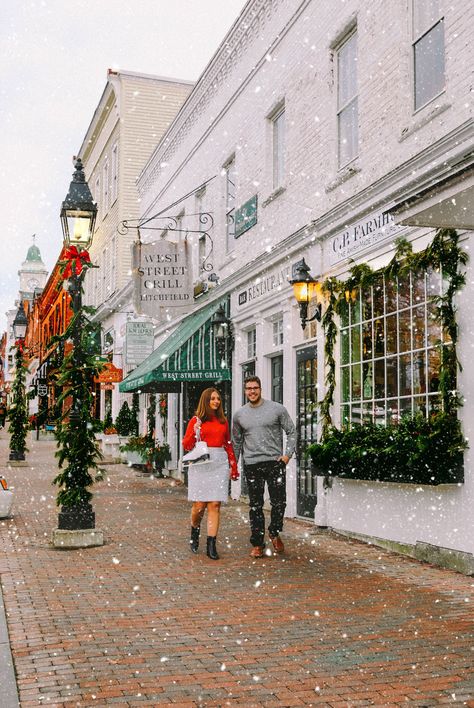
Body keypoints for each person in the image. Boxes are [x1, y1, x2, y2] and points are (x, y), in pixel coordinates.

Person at [232, 376, 296, 558]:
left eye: (255, 388)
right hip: (252, 464)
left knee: (279, 502)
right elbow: (236, 442)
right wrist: (234, 466)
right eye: (249, 388)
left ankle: (274, 531)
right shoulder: (239, 415)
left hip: (275, 463)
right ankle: (258, 543)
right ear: (245, 391)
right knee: (255, 506)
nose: (252, 391)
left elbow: (291, 431)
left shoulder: (276, 409)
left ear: (260, 389)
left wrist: (287, 455)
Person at [182, 387, 239, 560]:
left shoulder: (223, 421)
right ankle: (194, 528)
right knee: (199, 505)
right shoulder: (196, 420)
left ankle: (211, 545)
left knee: (215, 504)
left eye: (218, 399)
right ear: (205, 401)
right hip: (201, 463)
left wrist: (233, 466)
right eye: (212, 399)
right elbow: (186, 444)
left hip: (219, 462)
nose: (216, 401)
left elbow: (228, 444)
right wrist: (194, 430)